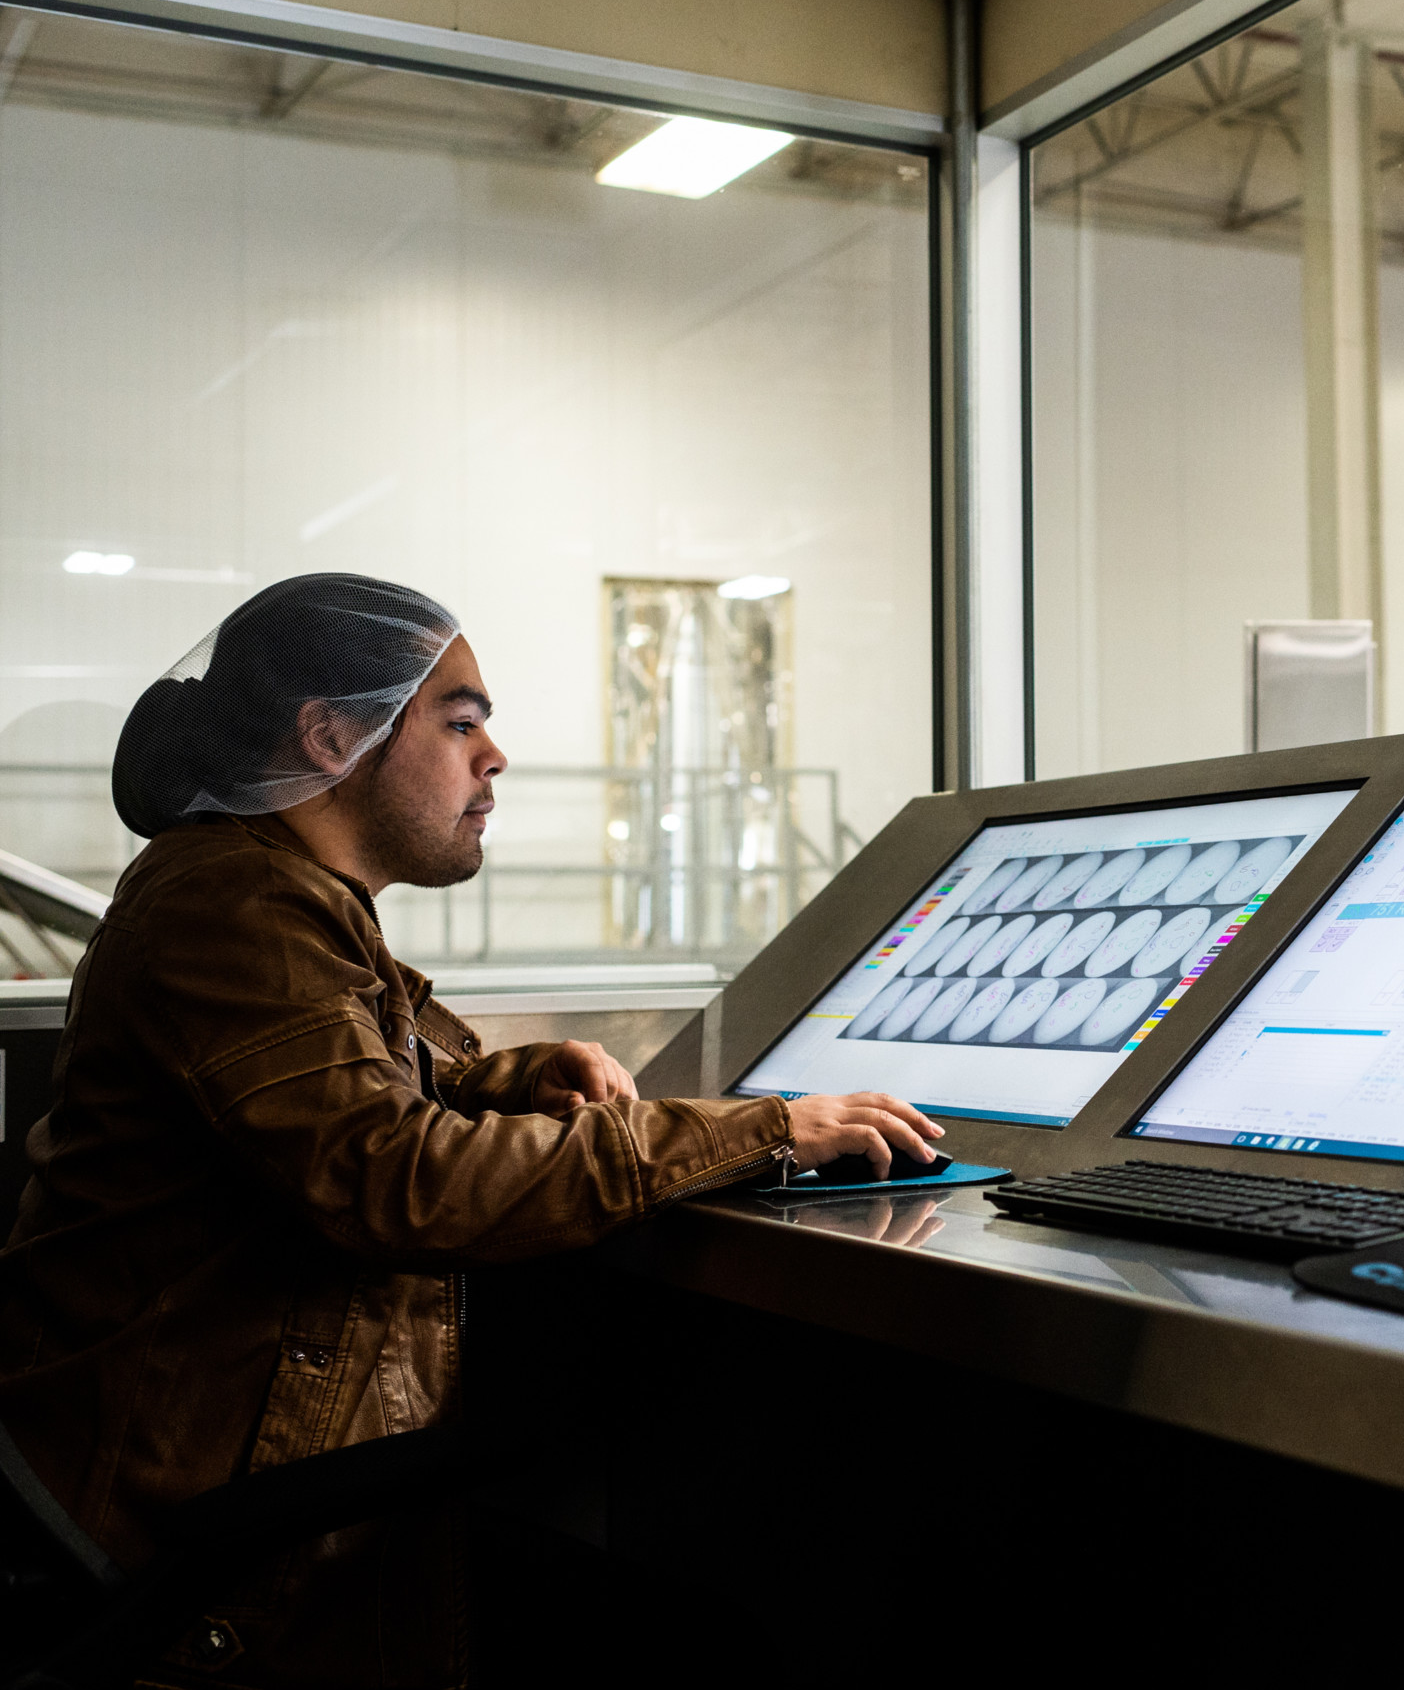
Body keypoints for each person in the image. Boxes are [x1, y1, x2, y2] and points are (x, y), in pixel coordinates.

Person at [0, 573, 939, 1688]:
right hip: (197, 1543)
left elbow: (358, 1082)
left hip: (226, 1490)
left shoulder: (281, 896)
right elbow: (396, 1175)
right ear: (333, 733)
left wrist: (514, 1079)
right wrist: (767, 1128)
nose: (493, 755)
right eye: (460, 721)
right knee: (719, 1651)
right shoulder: (235, 905)